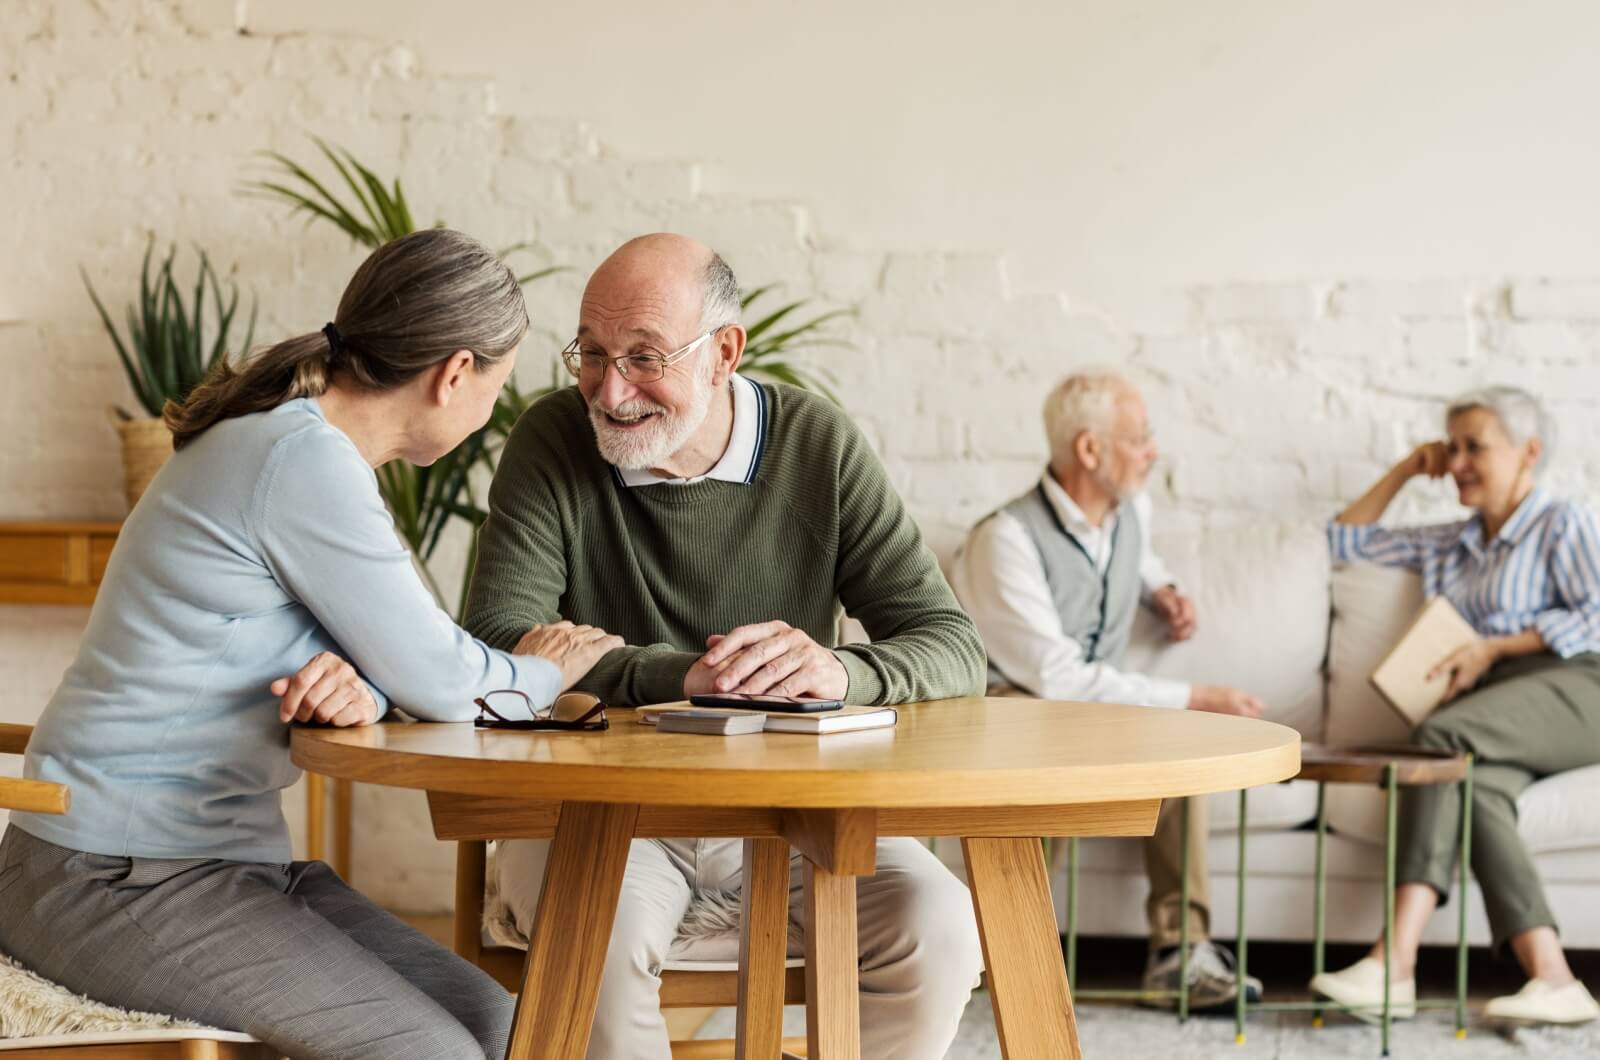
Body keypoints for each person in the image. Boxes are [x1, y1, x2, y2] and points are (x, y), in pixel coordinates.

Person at [0, 228, 621, 1060]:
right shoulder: (301, 461)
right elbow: (448, 681)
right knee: (431, 1054)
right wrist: (549, 666)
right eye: (497, 387)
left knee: (505, 1030)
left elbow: (367, 651)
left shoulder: (294, 446)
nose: (489, 414)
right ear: (456, 374)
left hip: (215, 867)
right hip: (109, 873)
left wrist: (358, 685)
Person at [465, 233, 988, 1060]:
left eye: (644, 357)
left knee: (943, 927)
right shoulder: (553, 440)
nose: (610, 389)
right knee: (590, 941)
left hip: (798, 812)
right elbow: (498, 647)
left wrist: (836, 672)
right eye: (591, 354)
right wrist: (687, 678)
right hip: (605, 815)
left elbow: (952, 645)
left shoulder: (816, 443)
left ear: (724, 353)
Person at [948, 368, 1266, 1010]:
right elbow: (1055, 678)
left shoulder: (1130, 510)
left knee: (1181, 753)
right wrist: (1196, 697)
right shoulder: (1003, 540)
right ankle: (1011, 952)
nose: (1154, 451)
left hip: (1091, 710)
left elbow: (1133, 555)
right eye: (1140, 437)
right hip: (1019, 706)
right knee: (1058, 736)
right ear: (1091, 452)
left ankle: (1180, 957)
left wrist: (1164, 590)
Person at [1311, 386, 1600, 1026]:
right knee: (1477, 790)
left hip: (1581, 688)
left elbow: (1597, 615)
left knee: (1438, 739)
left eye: (1477, 446)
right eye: (1454, 446)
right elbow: (1344, 542)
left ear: (1529, 452)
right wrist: (1410, 468)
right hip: (1501, 712)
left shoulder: (1563, 521)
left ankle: (1395, 963)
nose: (1460, 461)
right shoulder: (1450, 541)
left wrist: (1493, 648)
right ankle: (1554, 977)